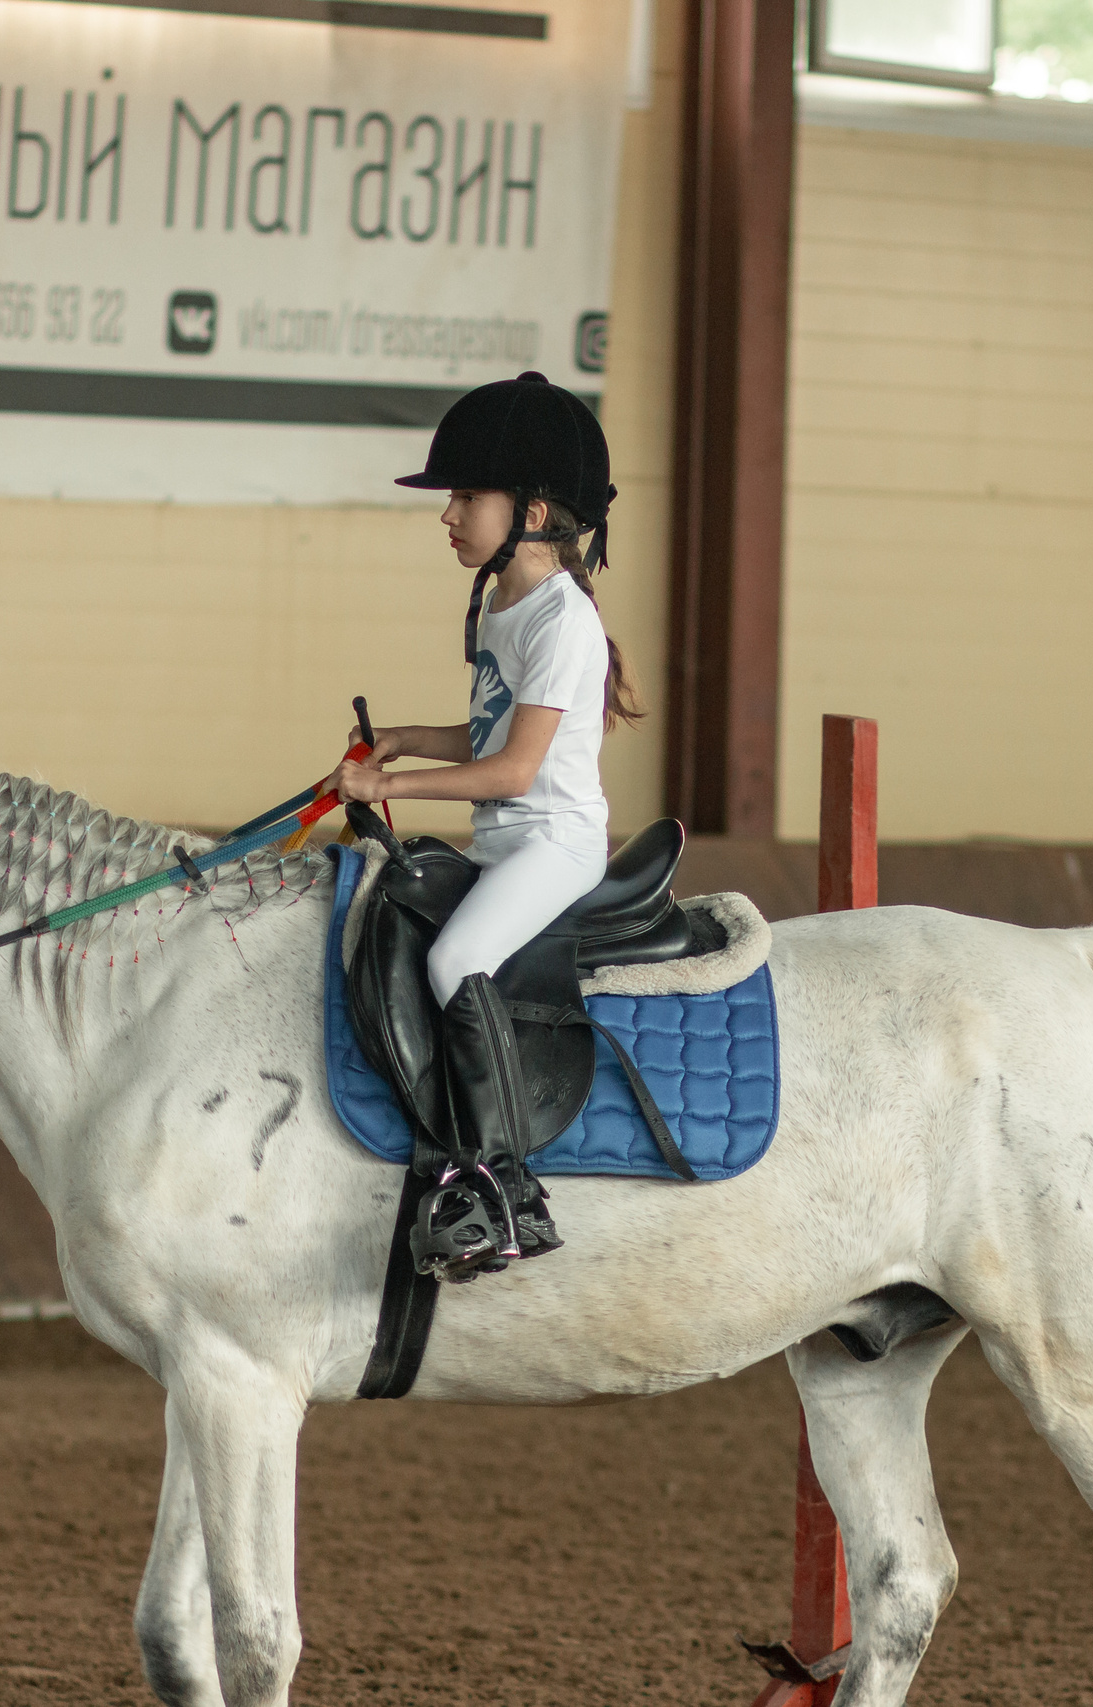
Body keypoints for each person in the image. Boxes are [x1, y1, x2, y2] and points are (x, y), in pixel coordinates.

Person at [328, 370, 642, 1279]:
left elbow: (514, 769)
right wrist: (398, 742)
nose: (449, 514)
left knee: (453, 959)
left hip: (556, 844)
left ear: (534, 510)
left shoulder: (562, 621)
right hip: (505, 839)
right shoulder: (504, 604)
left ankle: (503, 1186)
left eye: (467, 496)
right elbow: (492, 731)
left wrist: (392, 782)